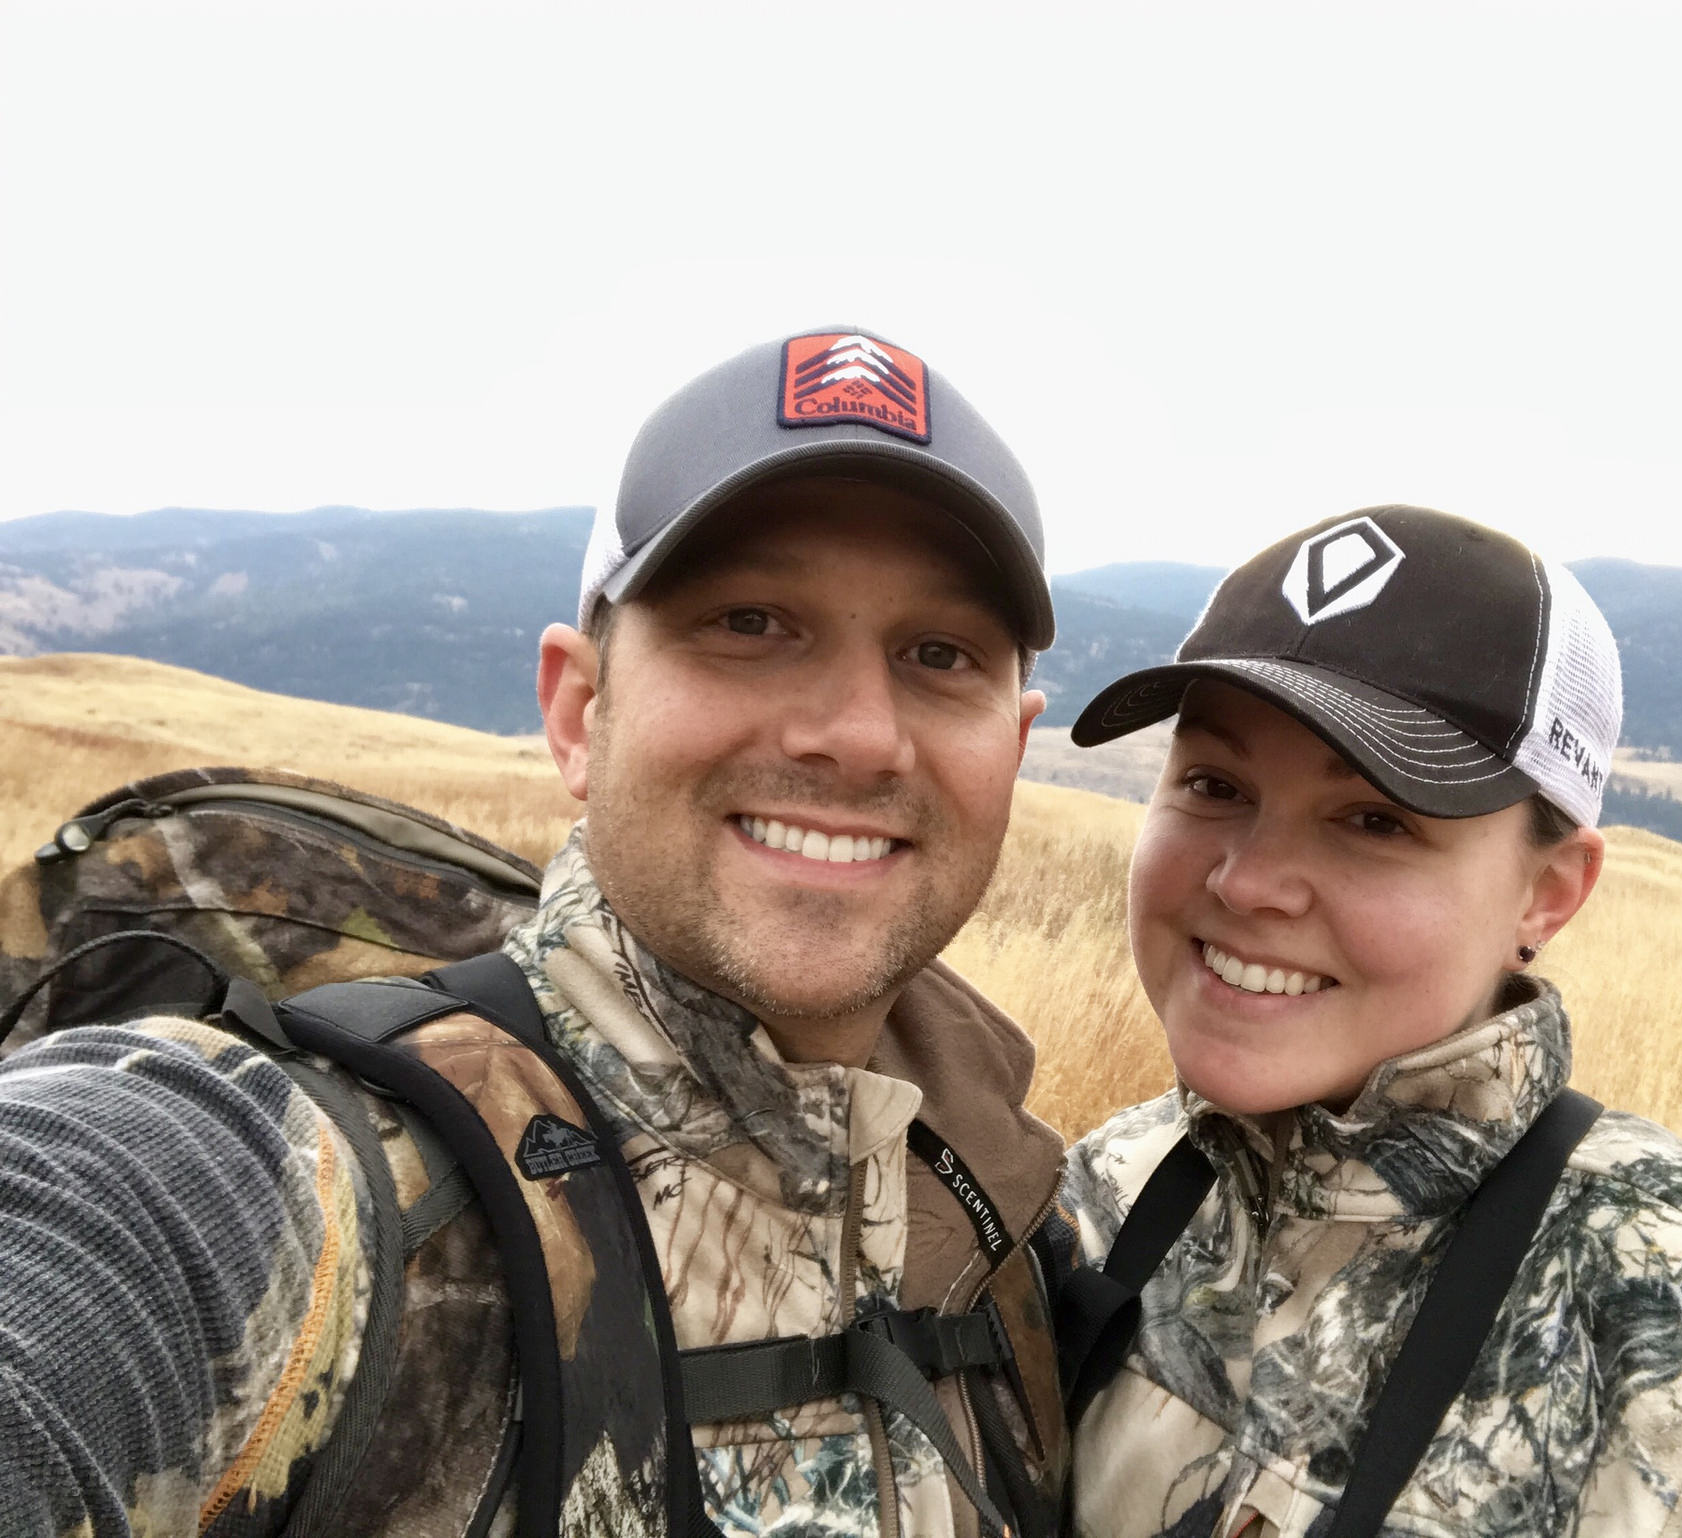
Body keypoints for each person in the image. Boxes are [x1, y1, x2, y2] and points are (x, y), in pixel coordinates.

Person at [0, 331, 1070, 1537]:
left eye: (940, 654)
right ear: (577, 710)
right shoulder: (279, 1182)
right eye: (751, 621)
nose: (862, 735)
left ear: (1012, 748)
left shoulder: (1029, 1227)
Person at [1055, 506, 1682, 1537]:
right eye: (1214, 784)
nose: (1248, 879)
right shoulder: (1090, 1204)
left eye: (1373, 818)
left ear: (1547, 893)